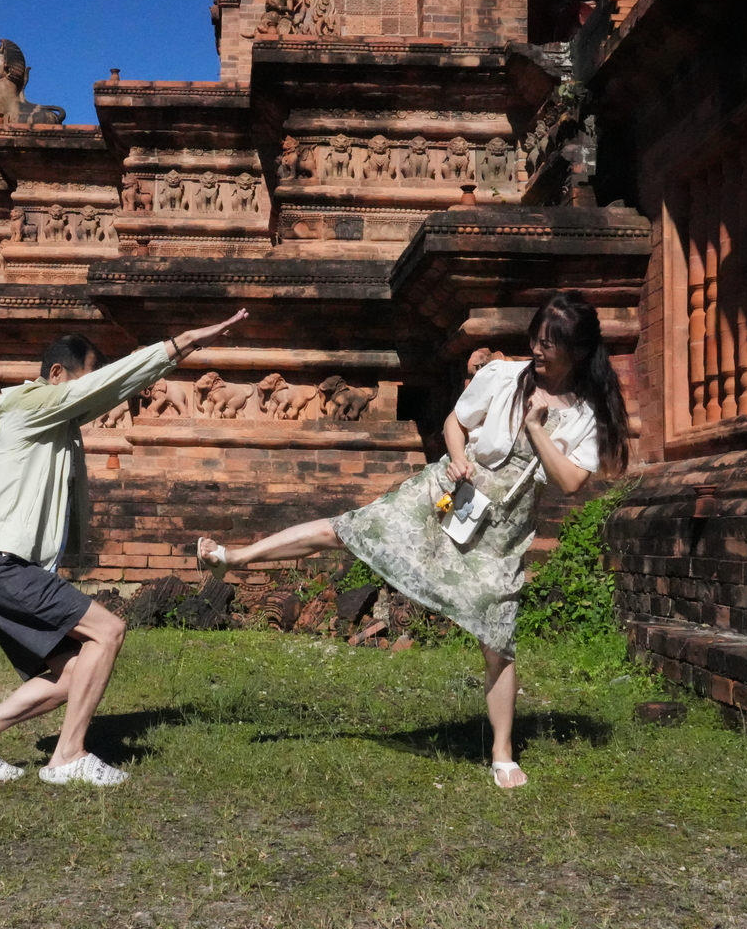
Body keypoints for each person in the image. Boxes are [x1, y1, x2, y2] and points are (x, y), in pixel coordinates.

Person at [197, 293, 629, 788]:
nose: (537, 349)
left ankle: (502, 753)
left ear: (578, 350)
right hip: (449, 494)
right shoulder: (503, 376)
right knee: (346, 529)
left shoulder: (586, 413)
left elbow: (570, 481)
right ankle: (234, 556)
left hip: (502, 530)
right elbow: (454, 424)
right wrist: (458, 457)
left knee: (498, 641)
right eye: (536, 338)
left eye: (549, 344)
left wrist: (535, 427)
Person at [0, 309, 249, 787]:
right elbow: (110, 384)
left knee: (71, 673)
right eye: (82, 380)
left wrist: (176, 355)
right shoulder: (32, 406)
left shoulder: (43, 415)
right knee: (108, 632)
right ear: (56, 373)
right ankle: (67, 757)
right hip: (2, 564)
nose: (88, 394)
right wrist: (182, 341)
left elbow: (110, 390)